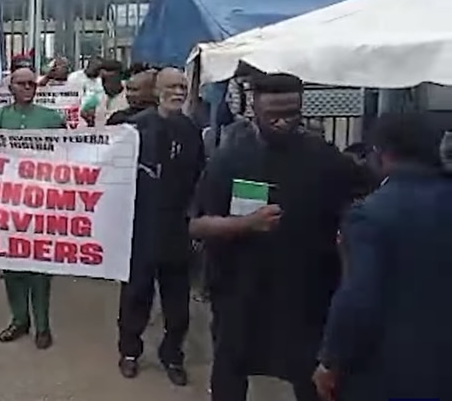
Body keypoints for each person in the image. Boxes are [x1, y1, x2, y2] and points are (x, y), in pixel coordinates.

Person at [189, 72, 374, 401]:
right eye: (273, 115)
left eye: (291, 114)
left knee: (310, 381)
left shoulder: (323, 156)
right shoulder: (229, 159)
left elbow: (370, 191)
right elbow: (197, 225)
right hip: (240, 291)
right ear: (253, 109)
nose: (283, 123)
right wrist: (245, 225)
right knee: (230, 376)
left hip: (306, 294)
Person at [313, 113, 452, 401]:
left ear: (381, 154)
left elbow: (358, 298)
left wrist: (331, 361)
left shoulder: (370, 215)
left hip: (389, 372)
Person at [117, 68, 205, 384]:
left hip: (177, 230)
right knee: (136, 295)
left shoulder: (191, 129)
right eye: (172, 86)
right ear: (156, 90)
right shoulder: (134, 129)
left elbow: (200, 176)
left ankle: (173, 355)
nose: (178, 92)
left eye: (183, 86)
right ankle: (129, 351)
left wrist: (197, 218)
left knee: (177, 302)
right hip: (140, 228)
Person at [0, 67, 65, 350]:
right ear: (10, 88)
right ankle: (19, 320)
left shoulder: (52, 118)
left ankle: (43, 326)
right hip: (8, 202)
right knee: (12, 266)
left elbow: (69, 153)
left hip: (42, 201)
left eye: (31, 83)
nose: (28, 87)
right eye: (21, 83)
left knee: (40, 267)